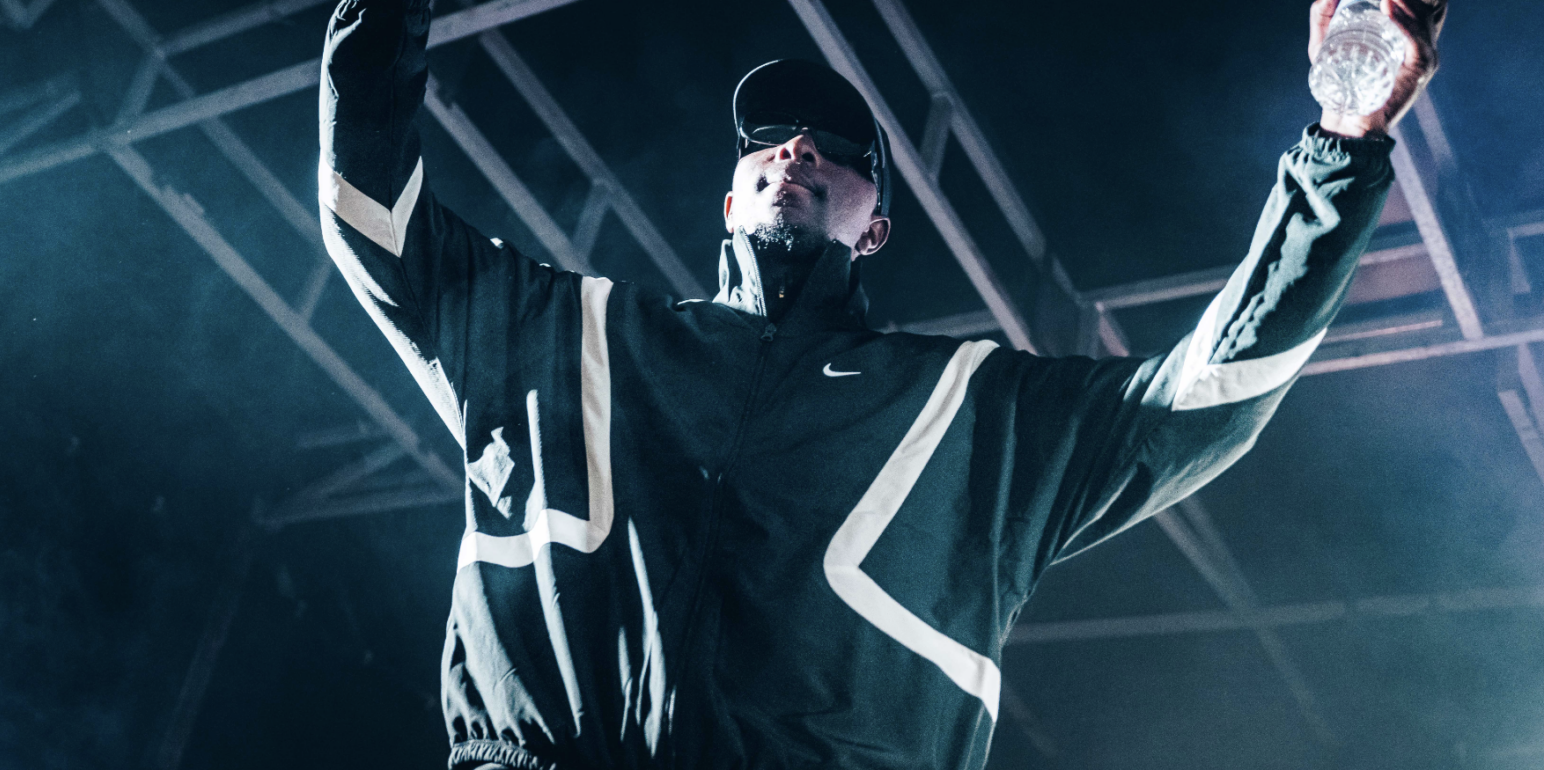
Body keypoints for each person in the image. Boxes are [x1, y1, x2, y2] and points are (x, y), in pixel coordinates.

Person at [314, 0, 1445, 767]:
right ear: (728, 199)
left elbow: (1206, 396)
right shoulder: (568, 333)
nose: (797, 150)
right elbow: (371, 208)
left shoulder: (969, 412)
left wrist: (1342, 140)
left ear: (875, 228)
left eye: (838, 150)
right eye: (769, 138)